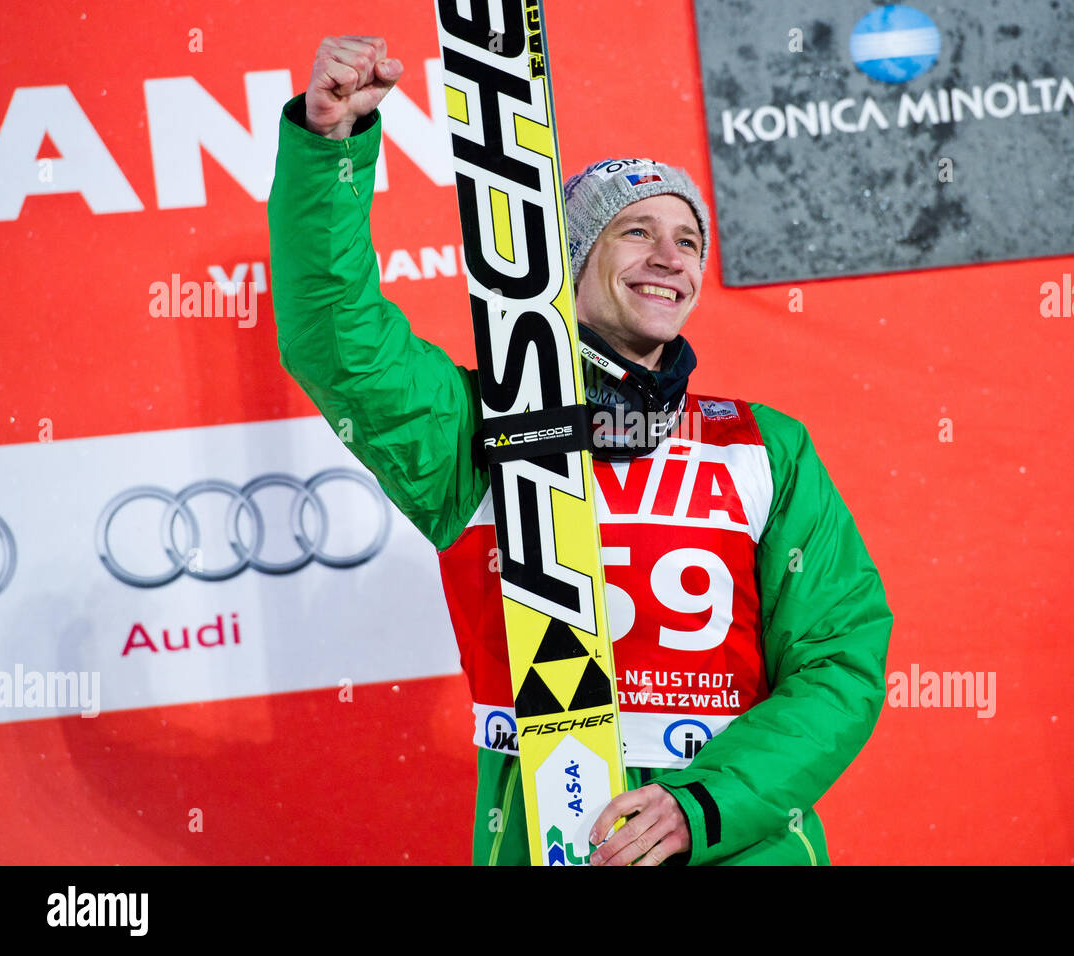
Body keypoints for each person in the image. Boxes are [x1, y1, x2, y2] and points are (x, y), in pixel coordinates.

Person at [268, 35, 893, 866]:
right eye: (635, 231)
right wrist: (331, 151)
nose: (670, 257)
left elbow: (839, 663)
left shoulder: (763, 447)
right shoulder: (475, 430)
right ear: (569, 259)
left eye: (688, 240)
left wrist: (702, 804)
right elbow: (336, 340)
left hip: (736, 842)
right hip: (548, 836)